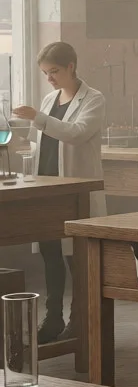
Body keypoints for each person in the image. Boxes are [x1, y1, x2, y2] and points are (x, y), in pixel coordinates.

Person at [13, 42, 106, 343]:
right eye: (45, 73)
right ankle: (53, 319)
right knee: (51, 255)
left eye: (54, 71)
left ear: (71, 66)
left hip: (74, 191)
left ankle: (81, 322)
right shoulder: (50, 99)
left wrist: (37, 117)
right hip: (48, 190)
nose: (50, 79)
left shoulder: (93, 99)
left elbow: (76, 134)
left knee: (77, 260)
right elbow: (39, 143)